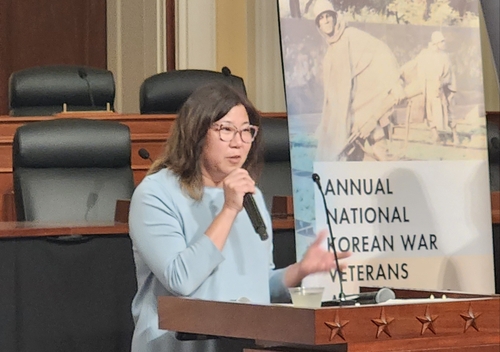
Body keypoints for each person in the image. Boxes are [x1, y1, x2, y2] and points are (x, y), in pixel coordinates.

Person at [128, 82, 350, 352]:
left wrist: (300, 270)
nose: (239, 142)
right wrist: (229, 210)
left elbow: (258, 286)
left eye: (247, 131)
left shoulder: (251, 194)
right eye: (226, 130)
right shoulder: (156, 194)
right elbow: (180, 280)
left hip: (244, 343)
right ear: (196, 133)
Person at [313, 0, 405, 161]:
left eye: (328, 16)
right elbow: (333, 97)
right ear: (318, 25)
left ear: (335, 17)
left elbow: (380, 50)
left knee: (379, 151)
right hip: (349, 115)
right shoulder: (329, 56)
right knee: (353, 158)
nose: (326, 20)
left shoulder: (352, 35)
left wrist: (393, 81)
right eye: (321, 18)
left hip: (368, 107)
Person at [401, 31, 457, 145]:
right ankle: (435, 136)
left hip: (441, 89)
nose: (443, 43)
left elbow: (450, 74)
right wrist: (400, 71)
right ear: (435, 43)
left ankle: (455, 136)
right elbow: (414, 63)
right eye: (441, 41)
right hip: (428, 88)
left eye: (443, 41)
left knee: (448, 112)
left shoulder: (445, 56)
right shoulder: (424, 54)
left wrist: (448, 87)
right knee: (430, 113)